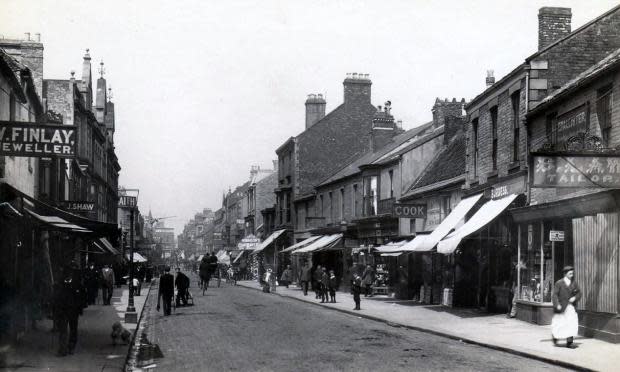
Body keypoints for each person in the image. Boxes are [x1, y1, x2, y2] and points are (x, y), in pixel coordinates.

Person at [52, 263, 85, 356]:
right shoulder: (59, 284)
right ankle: (62, 349)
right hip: (63, 311)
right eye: (65, 276)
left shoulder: (77, 284)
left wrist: (80, 309)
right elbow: (56, 298)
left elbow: (81, 298)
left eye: (69, 275)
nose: (67, 278)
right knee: (63, 330)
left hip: (73, 311)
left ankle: (71, 347)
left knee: (73, 329)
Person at [551, 266, 581, 348]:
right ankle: (555, 337)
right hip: (561, 308)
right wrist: (557, 305)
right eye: (570, 273)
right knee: (559, 324)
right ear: (565, 274)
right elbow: (554, 295)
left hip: (571, 308)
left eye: (572, 273)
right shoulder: (559, 283)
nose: (572, 275)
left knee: (571, 323)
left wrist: (575, 297)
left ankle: (569, 342)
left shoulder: (574, 283)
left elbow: (579, 293)